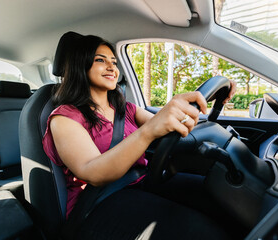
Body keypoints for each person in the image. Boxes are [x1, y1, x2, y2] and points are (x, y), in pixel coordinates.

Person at [43, 34, 237, 240]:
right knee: (202, 233)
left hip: (142, 181)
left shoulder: (125, 109)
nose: (111, 67)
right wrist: (147, 131)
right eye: (100, 60)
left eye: (114, 62)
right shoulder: (64, 117)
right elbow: (93, 172)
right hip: (98, 203)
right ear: (79, 65)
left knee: (222, 198)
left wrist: (208, 106)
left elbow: (169, 127)